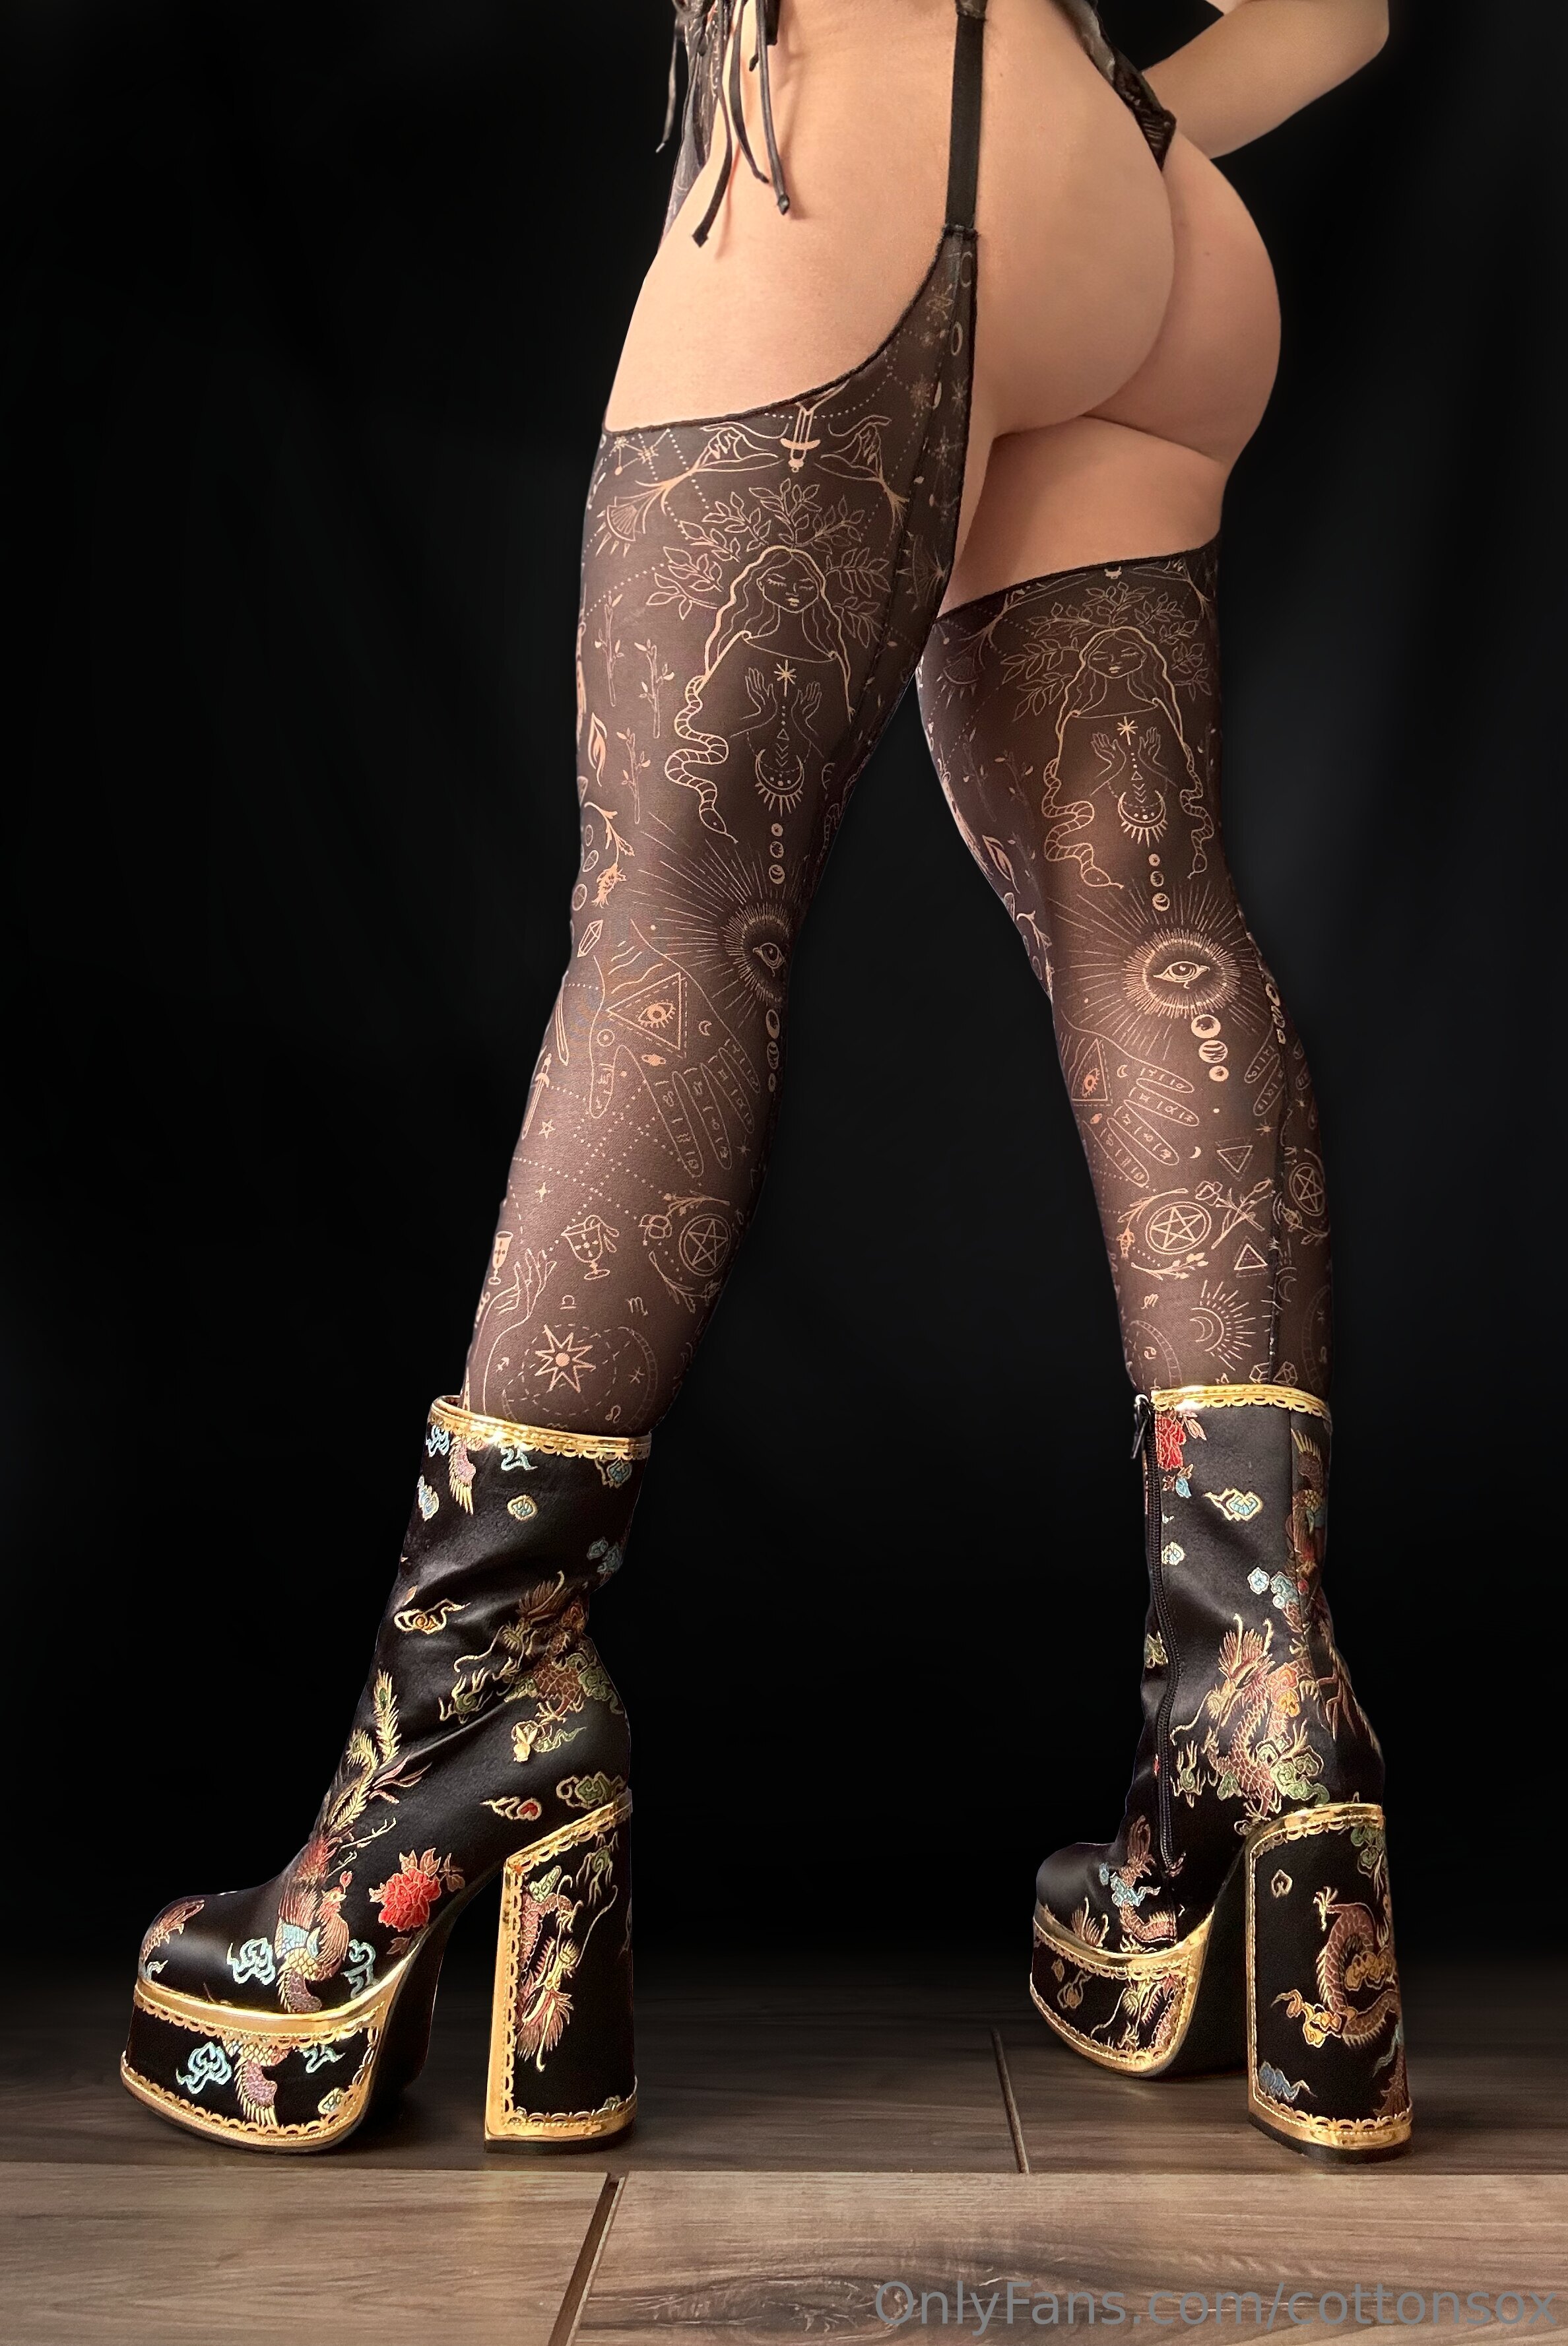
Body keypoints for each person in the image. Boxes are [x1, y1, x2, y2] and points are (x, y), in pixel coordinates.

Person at [122, 0, 1406, 2161]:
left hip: (870, 136)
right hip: (1140, 201)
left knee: (674, 908)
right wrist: (1112, 119)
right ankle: (1263, 1698)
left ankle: (469, 1722)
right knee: (1149, 925)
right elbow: (1339, 10)